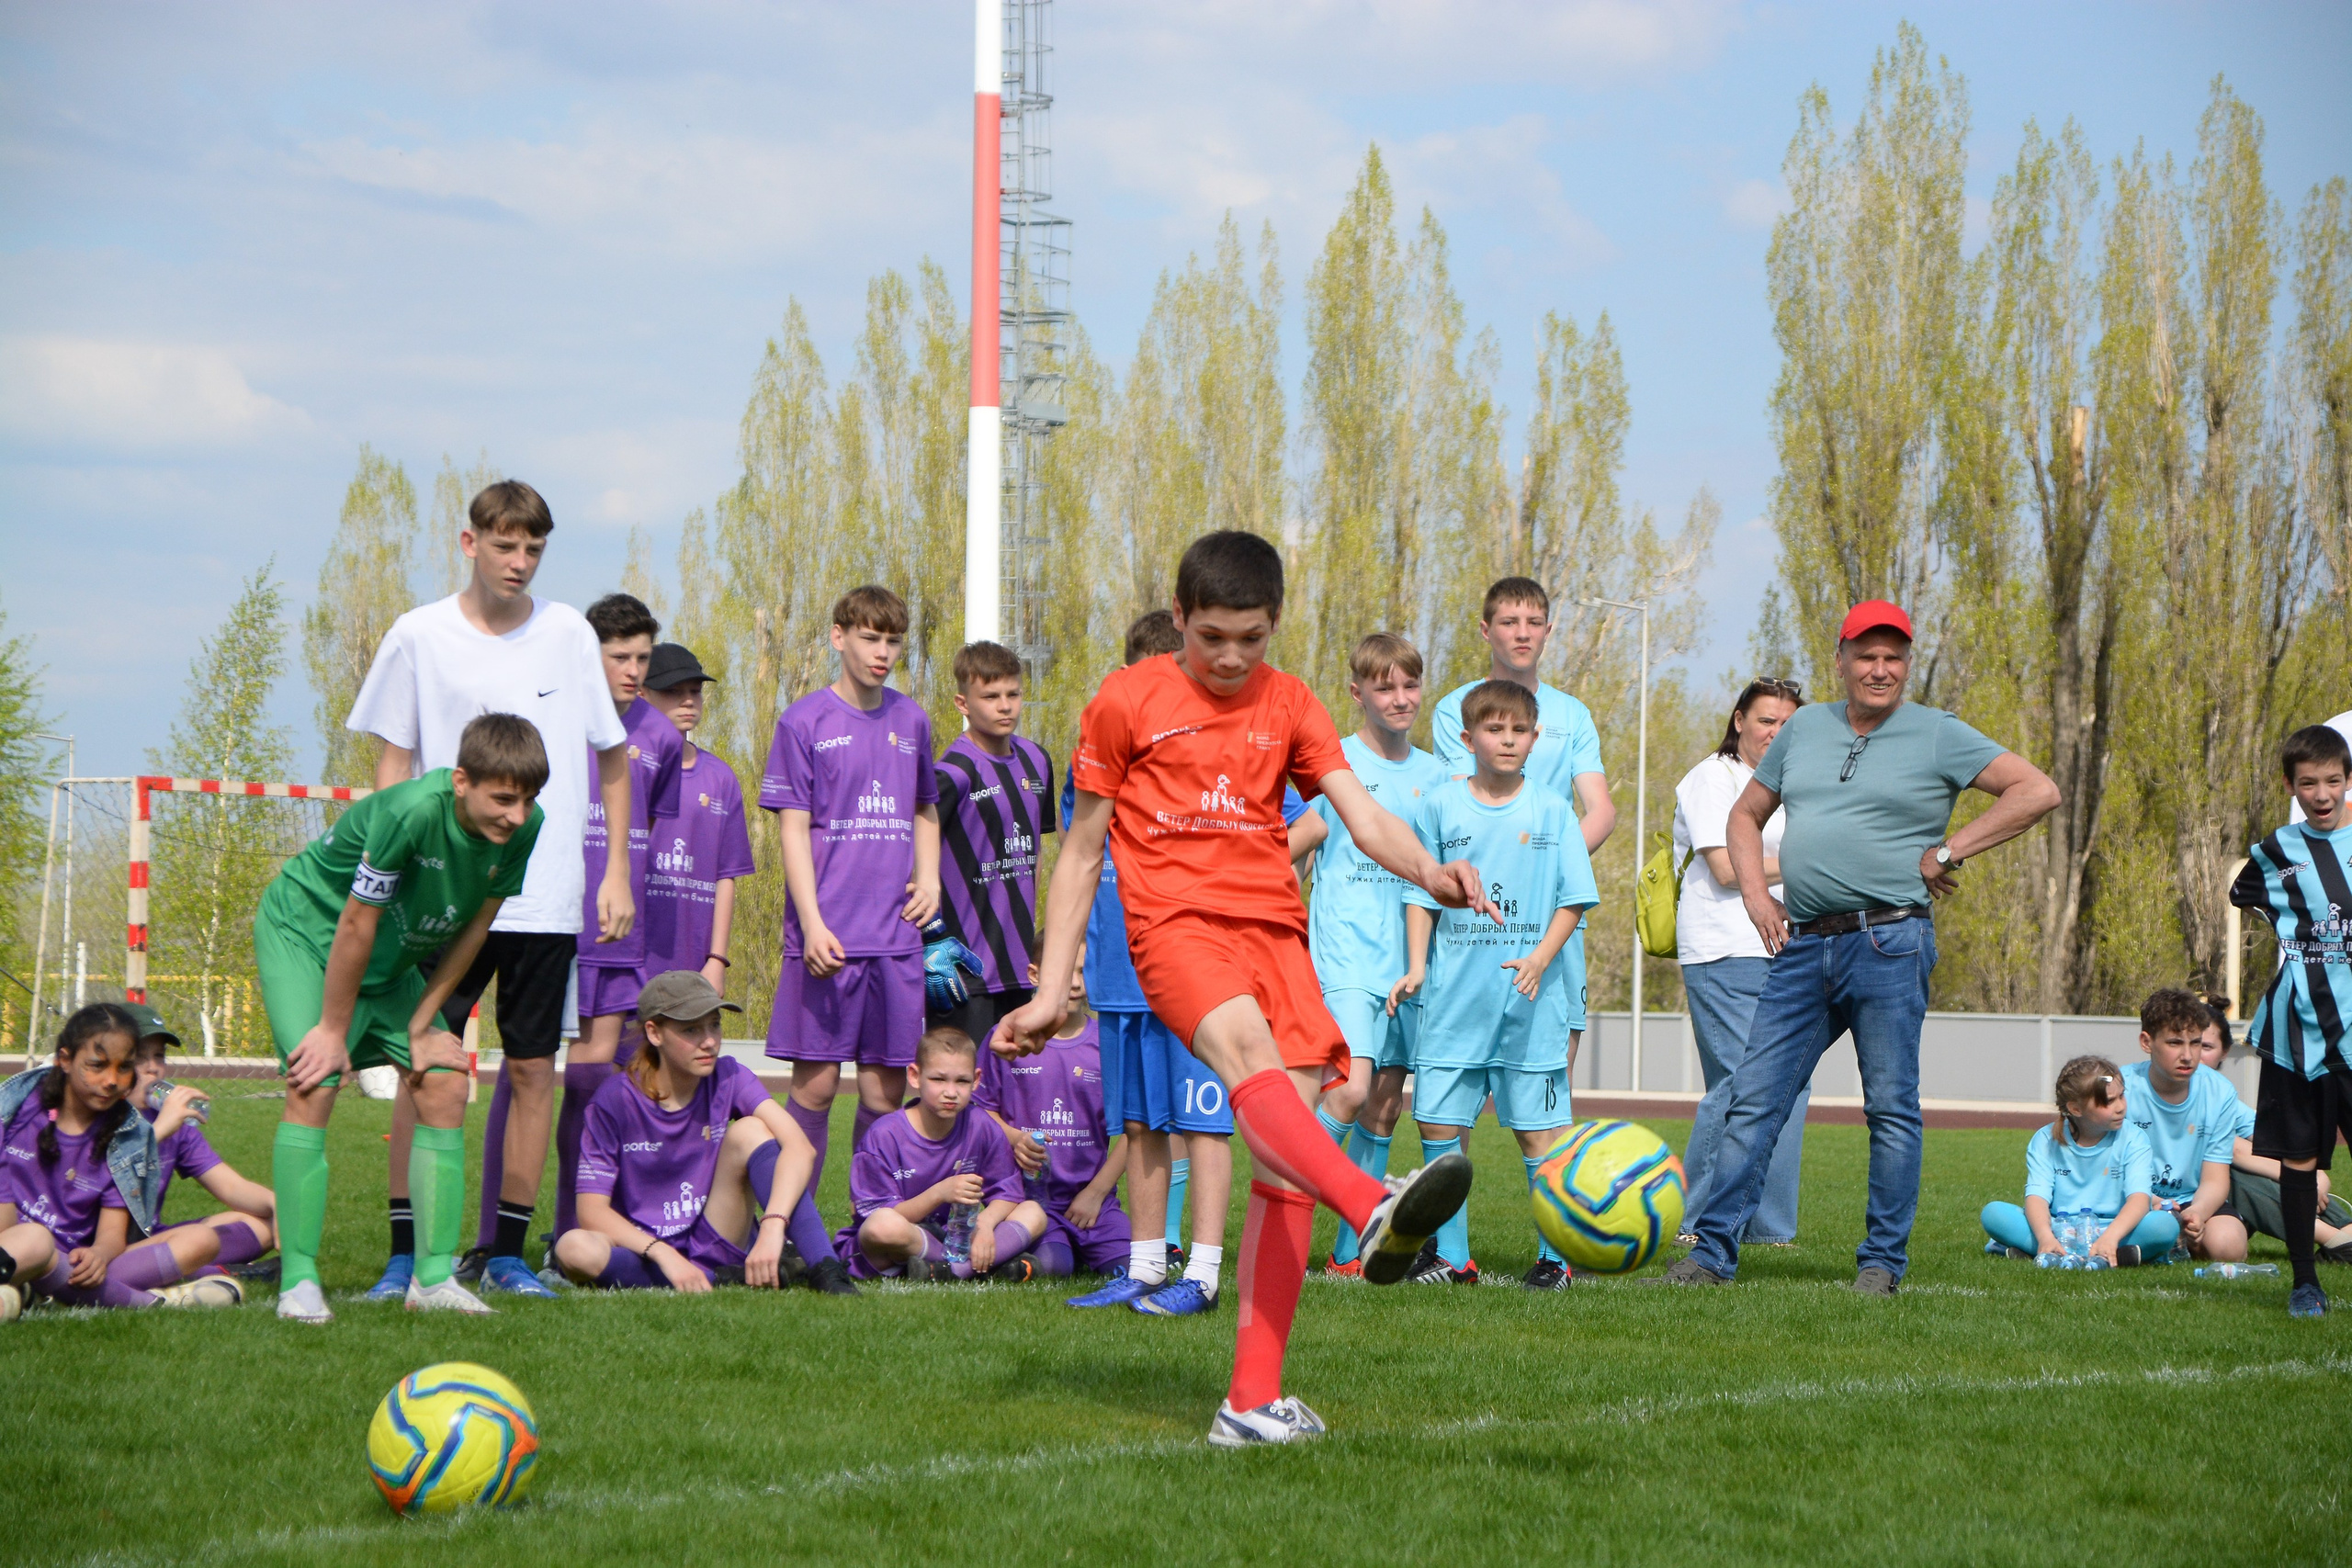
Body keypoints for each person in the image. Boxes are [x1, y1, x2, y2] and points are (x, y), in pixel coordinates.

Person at [992, 530, 1492, 1449]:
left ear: (1274, 627)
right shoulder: (1125, 700)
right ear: (1177, 617)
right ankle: (1372, 1203)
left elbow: (1360, 816)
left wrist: (1432, 871)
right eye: (1211, 635)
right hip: (1174, 928)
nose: (1229, 657)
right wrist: (1049, 983)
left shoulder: (1291, 703)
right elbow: (1080, 848)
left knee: (1286, 1161)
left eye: (1250, 638)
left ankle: (1250, 1404)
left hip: (1273, 932)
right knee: (1249, 1063)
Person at [1659, 600, 2060, 1295]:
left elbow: (2037, 789)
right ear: (1840, 660)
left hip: (1890, 940)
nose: (1880, 669)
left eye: (1893, 657)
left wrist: (1950, 848)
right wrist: (1756, 895)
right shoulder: (1804, 728)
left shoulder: (1938, 732)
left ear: (1906, 663)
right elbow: (1745, 815)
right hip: (1801, 943)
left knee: (1890, 1106)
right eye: (1866, 655)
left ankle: (1880, 1265)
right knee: (1752, 1098)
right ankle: (1711, 1254)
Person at [345, 479, 632, 1302]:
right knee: (422, 1062)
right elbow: (393, 766)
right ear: (469, 543)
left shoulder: (571, 633)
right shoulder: (417, 635)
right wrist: (387, 876)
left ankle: (505, 1251)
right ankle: (406, 1254)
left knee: (535, 1068)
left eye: (534, 548)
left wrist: (613, 870)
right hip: (441, 898)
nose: (519, 561)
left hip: (545, 897)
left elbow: (610, 756)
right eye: (504, 545)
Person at [255, 713, 548, 1322]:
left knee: (443, 1080)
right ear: (461, 780)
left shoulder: (526, 827)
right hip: (307, 935)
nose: (516, 815)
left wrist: (423, 1022)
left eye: (527, 800)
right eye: (502, 798)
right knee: (315, 1078)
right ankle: (300, 1282)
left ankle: (433, 1276)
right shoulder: (410, 810)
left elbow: (476, 926)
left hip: (388, 959)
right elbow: (355, 921)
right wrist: (332, 1030)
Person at [1059, 611, 1242, 1317]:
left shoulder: (1215, 750)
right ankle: (1143, 1265)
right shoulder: (1102, 753)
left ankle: (1202, 1273)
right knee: (1136, 1124)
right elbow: (1079, 853)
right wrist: (1073, 949)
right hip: (1117, 969)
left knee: (1205, 1123)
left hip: (1194, 971)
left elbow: (1305, 816)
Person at [1390, 681, 1600, 1290]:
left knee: (1540, 1132)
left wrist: (1539, 958)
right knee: (1438, 1125)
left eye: (1519, 730)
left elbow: (1575, 899)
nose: (1507, 740)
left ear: (1535, 739)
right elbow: (1418, 892)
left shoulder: (1553, 810)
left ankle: (1553, 1259)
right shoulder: (1439, 806)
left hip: (1530, 1003)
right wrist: (1417, 964)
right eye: (1494, 729)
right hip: (1456, 999)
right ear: (1467, 738)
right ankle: (1453, 1258)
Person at [761, 584, 943, 1228]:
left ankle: (872, 1224)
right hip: (828, 939)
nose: (883, 652)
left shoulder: (912, 720)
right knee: (810, 1089)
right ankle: (796, 1227)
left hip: (895, 940)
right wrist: (810, 923)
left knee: (883, 1091)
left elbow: (926, 807)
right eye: (870, 638)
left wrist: (931, 878)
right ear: (839, 637)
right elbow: (792, 826)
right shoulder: (803, 721)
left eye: (893, 640)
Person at [1283, 633, 1446, 1278]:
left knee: (1385, 1103)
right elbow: (1292, 844)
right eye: (1385, 687)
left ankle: (1351, 1253)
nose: (1400, 698)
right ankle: (1285, 1214)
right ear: (1358, 693)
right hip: (1348, 956)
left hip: (1411, 961)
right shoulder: (1335, 764)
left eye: (1410, 685)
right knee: (1348, 1092)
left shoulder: (1437, 775)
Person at [1430, 578, 1616, 1067]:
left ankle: (1552, 1146)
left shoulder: (1573, 714)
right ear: (1486, 630)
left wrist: (1554, 865)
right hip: (1476, 910)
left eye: (1534, 623)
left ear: (1548, 630)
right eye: (1510, 622)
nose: (1522, 633)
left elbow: (1600, 810)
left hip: (1551, 910)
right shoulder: (1454, 709)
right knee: (1459, 1065)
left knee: (1555, 1063)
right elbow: (1458, 807)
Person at [554, 592, 684, 1252]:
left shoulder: (660, 735)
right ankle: (502, 1235)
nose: (633, 669)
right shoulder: (558, 719)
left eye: (641, 657)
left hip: (620, 934)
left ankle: (572, 1230)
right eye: (619, 656)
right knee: (532, 1073)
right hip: (553, 922)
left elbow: (652, 829)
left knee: (597, 1076)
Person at [552, 971, 817, 1292]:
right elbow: (591, 1211)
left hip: (712, 1239)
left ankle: (824, 1268)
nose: (709, 1041)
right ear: (654, 1033)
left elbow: (800, 1147)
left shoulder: (729, 1075)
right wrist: (663, 1254)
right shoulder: (614, 1099)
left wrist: (774, 1226)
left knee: (752, 1130)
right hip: (644, 1251)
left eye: (714, 1025)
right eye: (691, 1029)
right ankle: (712, 1277)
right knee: (573, 1248)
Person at [1671, 678, 1806, 1247]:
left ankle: (1767, 1227)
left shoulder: (1791, 786)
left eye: (1787, 724)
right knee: (1738, 1084)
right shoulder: (1711, 778)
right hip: (1725, 949)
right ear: (1738, 720)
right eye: (1765, 720)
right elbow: (1729, 869)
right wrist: (1809, 858)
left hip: (1786, 948)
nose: (1775, 732)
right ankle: (1695, 1222)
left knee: (1788, 1085)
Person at [0, 1005, 239, 1314]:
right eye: (97, 1066)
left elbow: (113, 1232)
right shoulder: (18, 1107)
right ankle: (161, 1302)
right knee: (34, 1240)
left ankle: (30, 1289)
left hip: (74, 1261)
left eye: (124, 1067)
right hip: (15, 1242)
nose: (112, 1080)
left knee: (203, 1239)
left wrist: (99, 1253)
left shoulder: (129, 1135)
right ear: (65, 1060)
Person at [2229, 723, 2352, 1317]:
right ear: (2291, 785)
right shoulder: (2274, 851)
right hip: (2295, 1033)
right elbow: (2242, 892)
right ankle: (2306, 1282)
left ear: (2348, 781)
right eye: (2309, 783)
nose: (2322, 793)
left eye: (2333, 780)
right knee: (2299, 1160)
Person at [840, 1027, 1043, 1281]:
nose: (950, 1092)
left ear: (976, 1080)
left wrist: (985, 1227)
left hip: (956, 1236)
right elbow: (871, 1218)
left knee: (1033, 1212)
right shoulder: (884, 1135)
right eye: (938, 1080)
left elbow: (1008, 1192)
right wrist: (939, 1193)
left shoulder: (980, 1125)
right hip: (901, 1242)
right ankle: (973, 1268)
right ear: (915, 1076)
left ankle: (949, 1270)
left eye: (962, 1081)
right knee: (882, 1226)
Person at [930, 639, 1056, 1045]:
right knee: (960, 1086)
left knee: (1015, 1087)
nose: (1005, 706)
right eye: (991, 696)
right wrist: (930, 939)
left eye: (1013, 694)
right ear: (963, 703)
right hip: (964, 967)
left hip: (1021, 965)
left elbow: (1036, 851)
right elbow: (914, 864)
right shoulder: (951, 773)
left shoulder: (1038, 760)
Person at [977, 961, 1129, 1278]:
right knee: (1055, 1268)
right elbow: (980, 1109)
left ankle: (1086, 1244)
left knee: (1129, 1267)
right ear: (1033, 974)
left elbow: (1136, 1130)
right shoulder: (1007, 1038)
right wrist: (1013, 1137)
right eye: (1064, 971)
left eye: (1084, 971)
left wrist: (1096, 1193)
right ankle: (1027, 1250)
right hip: (1026, 1201)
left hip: (1092, 1202)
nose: (1074, 983)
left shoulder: (1109, 1045)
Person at [1981, 1055, 2177, 1268]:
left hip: (2114, 1230)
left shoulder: (2134, 1138)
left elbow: (2139, 1199)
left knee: (2165, 1226)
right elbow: (2037, 1198)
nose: (2120, 1106)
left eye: (2121, 1096)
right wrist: (2046, 1237)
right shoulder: (2045, 1140)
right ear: (2076, 1109)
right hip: (2060, 1230)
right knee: (1994, 1213)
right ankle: (2113, 1257)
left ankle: (2049, 1254)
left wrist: (2110, 1237)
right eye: (2109, 1101)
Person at [2196, 998, 2352, 1260]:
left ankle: (2345, 1230)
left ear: (2225, 1052)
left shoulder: (2220, 1095)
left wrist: (2317, 1177)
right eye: (2185, 1043)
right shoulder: (2160, 1090)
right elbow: (2232, 1150)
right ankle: (2334, 1240)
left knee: (2291, 1175)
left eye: (2205, 1047)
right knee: (2234, 1172)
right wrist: (2298, 1177)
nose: (2192, 1055)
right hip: (2197, 1197)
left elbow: (2276, 1142)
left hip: (2230, 1206)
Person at [127, 1012, 277, 1282]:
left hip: (149, 1238)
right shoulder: (99, 1115)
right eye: (139, 1058)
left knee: (262, 1223)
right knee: (195, 1243)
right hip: (98, 1245)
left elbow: (231, 1187)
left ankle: (169, 1267)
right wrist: (158, 1132)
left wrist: (276, 1204)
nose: (153, 1068)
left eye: (159, 1056)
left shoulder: (175, 1123)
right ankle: (221, 1273)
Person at [2120, 988, 2246, 1264]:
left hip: (2191, 1199)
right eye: (2175, 1043)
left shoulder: (2220, 1092)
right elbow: (2106, 1166)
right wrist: (2146, 1200)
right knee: (2148, 1226)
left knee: (2229, 1246)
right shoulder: (2122, 1088)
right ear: (2146, 1042)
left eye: (2196, 1043)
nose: (2188, 1056)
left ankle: (2173, 1241)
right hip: (2132, 1196)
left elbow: (2215, 1178)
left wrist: (2197, 1214)